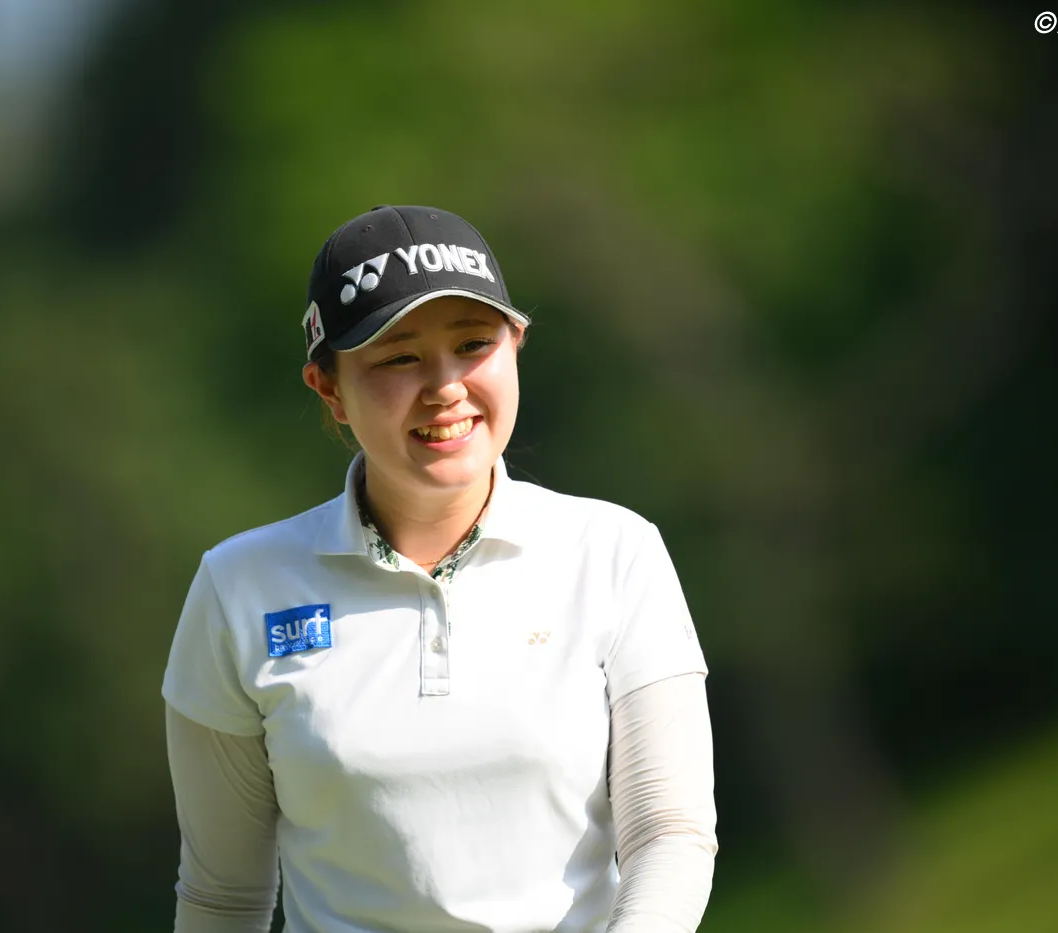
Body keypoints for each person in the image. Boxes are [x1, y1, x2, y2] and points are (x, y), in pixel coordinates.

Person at [162, 205, 717, 933]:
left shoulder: (614, 552)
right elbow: (223, 898)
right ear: (329, 387)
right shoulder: (240, 587)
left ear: (516, 346)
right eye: (399, 358)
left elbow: (670, 835)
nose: (445, 386)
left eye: (473, 344)